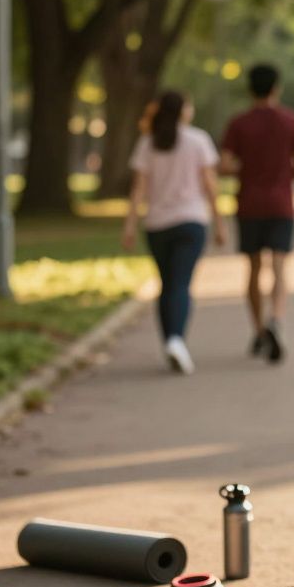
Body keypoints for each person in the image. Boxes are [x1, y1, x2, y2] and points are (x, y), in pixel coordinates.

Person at [123, 90, 226, 374]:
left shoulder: (148, 143)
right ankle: (177, 341)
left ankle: (170, 341)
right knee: (181, 284)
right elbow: (210, 186)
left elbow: (138, 189)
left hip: (157, 225)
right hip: (191, 222)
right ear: (183, 111)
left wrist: (130, 225)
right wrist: (219, 223)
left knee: (167, 284)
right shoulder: (199, 140)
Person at [220, 64, 294, 363]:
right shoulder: (291, 121)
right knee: (280, 266)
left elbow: (223, 165)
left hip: (249, 204)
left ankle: (259, 330)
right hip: (281, 204)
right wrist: (285, 173)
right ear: (276, 88)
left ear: (250, 89)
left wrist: (246, 169)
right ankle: (277, 320)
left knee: (254, 267)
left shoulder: (239, 123)